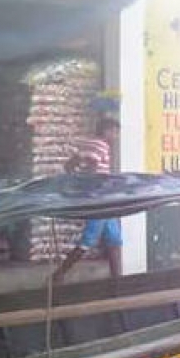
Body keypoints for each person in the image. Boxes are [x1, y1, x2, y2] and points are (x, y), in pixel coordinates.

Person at [51, 118, 122, 283]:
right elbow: (92, 165)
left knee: (114, 239)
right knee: (88, 241)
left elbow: (69, 166)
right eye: (114, 132)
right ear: (106, 131)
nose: (116, 136)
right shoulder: (101, 145)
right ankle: (58, 274)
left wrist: (78, 182)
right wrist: (93, 183)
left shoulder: (87, 144)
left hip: (104, 199)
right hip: (99, 200)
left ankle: (117, 280)